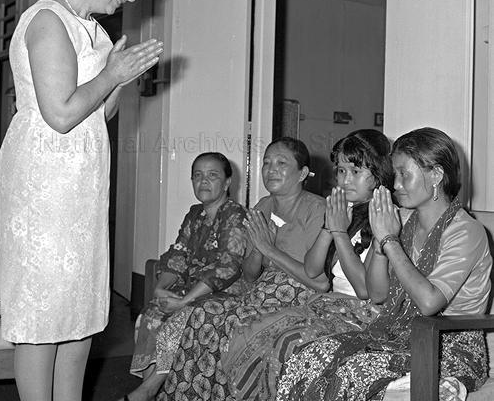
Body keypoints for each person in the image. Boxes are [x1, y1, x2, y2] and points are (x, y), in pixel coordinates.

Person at [0, 0, 163, 401]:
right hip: (44, 183)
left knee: (80, 314)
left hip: (82, 183)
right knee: (43, 315)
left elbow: (98, 113)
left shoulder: (93, 29)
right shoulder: (48, 20)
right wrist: (111, 73)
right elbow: (61, 114)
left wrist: (120, 79)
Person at [277, 127, 492, 400]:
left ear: (436, 175)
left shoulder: (466, 231)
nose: (396, 184)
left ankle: (433, 385)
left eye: (404, 174)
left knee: (353, 373)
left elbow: (430, 303)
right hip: (399, 333)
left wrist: (389, 240)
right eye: (395, 174)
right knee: (309, 357)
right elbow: (377, 294)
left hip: (449, 345)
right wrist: (380, 245)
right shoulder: (402, 218)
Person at [222, 129, 393, 400]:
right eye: (341, 171)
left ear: (379, 174)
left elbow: (364, 290)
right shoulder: (344, 211)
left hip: (363, 312)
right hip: (331, 305)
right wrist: (329, 228)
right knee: (251, 329)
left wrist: (339, 232)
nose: (345, 180)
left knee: (285, 341)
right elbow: (314, 269)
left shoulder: (384, 218)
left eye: (355, 171)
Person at [157, 137, 329, 400]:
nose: (271, 169)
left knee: (228, 325)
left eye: (281, 163)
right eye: (267, 163)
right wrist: (259, 248)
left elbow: (319, 282)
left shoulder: (316, 208)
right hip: (259, 293)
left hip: (298, 297)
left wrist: (269, 249)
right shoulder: (262, 207)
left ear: (302, 173)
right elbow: (250, 275)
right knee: (204, 312)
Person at [123, 152, 248, 401]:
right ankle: (151, 388)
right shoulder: (194, 214)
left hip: (225, 293)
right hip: (192, 290)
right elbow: (177, 255)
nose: (204, 181)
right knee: (152, 313)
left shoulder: (235, 215)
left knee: (182, 316)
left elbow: (228, 267)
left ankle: (147, 391)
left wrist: (184, 301)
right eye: (198, 175)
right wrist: (161, 289)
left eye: (212, 175)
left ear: (227, 183)